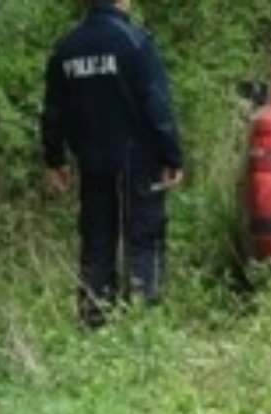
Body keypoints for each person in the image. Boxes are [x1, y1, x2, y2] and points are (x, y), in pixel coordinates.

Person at [42, 0, 183, 328]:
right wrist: (171, 156)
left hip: (92, 160)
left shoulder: (66, 48)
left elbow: (53, 111)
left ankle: (93, 321)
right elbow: (156, 107)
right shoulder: (135, 42)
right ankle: (142, 325)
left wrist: (55, 158)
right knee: (144, 239)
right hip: (139, 159)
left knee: (96, 243)